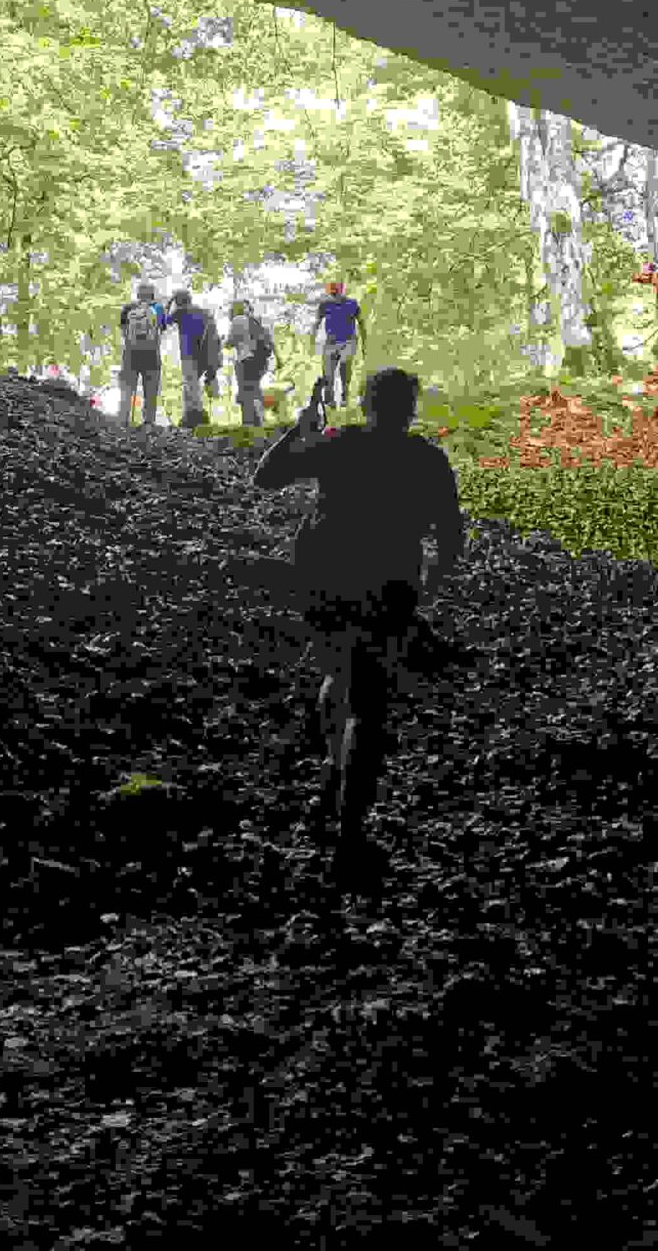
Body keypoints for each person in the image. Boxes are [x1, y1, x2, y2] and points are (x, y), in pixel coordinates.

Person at [253, 364, 468, 892]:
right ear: (408, 407)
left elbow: (267, 475)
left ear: (367, 403)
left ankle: (333, 779)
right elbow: (449, 533)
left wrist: (297, 430)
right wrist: (431, 588)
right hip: (390, 590)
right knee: (369, 705)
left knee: (341, 675)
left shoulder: (339, 444)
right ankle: (349, 830)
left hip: (326, 583)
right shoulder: (426, 459)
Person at [118, 281, 166, 428]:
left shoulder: (128, 308)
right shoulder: (158, 309)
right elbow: (162, 328)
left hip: (130, 355)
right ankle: (149, 422)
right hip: (152, 356)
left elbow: (123, 330)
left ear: (138, 295)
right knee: (150, 392)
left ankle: (123, 421)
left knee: (127, 390)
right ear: (152, 295)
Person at [165, 288, 216, 429]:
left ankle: (195, 418)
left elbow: (165, 321)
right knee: (191, 386)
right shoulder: (203, 311)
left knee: (190, 384)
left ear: (179, 301)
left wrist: (169, 303)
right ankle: (191, 416)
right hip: (204, 353)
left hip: (189, 352)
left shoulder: (180, 312)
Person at [227, 298, 278, 426]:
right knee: (255, 389)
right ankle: (259, 420)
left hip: (245, 360)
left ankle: (249, 422)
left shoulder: (237, 320)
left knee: (246, 391)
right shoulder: (257, 321)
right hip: (261, 361)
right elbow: (270, 341)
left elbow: (229, 342)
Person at [312, 280, 362, 409]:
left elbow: (361, 322)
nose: (334, 296)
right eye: (332, 293)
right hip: (331, 343)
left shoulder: (352, 304)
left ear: (342, 291)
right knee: (328, 373)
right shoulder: (325, 304)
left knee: (345, 366)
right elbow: (317, 322)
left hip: (348, 341)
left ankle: (345, 397)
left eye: (336, 292)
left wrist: (364, 341)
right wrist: (312, 337)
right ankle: (329, 401)